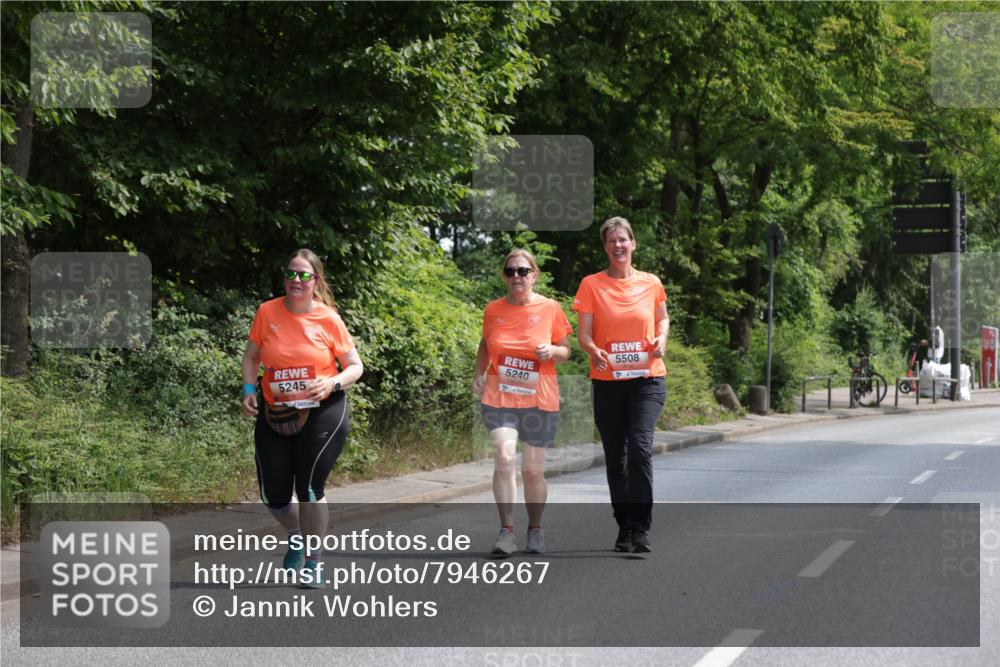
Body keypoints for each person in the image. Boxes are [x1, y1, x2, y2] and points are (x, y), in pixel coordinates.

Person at [240, 248, 363, 587]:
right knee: (273, 495)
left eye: (304, 275)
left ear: (316, 281)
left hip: (323, 409)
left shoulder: (328, 319)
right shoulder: (267, 312)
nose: (296, 280)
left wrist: (332, 382)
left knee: (309, 487)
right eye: (291, 273)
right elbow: (251, 356)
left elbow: (356, 366)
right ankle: (296, 534)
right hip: (274, 409)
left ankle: (315, 562)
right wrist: (248, 389)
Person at [573, 217, 668, 553]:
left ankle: (641, 528)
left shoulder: (651, 283)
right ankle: (624, 525)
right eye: (611, 241)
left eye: (623, 240)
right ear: (605, 247)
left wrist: (662, 339)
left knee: (640, 449)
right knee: (617, 458)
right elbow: (583, 334)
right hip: (608, 382)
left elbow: (662, 318)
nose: (618, 246)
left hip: (647, 379)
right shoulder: (591, 285)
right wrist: (593, 349)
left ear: (633, 244)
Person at [473, 249, 572, 555]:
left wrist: (552, 352)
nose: (517, 276)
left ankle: (535, 528)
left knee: (532, 471)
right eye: (511, 271)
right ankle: (507, 531)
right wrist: (478, 373)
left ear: (534, 275)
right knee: (503, 456)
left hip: (539, 398)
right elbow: (486, 344)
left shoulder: (550, 307)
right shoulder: (493, 309)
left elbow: (566, 350)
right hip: (499, 394)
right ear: (504, 276)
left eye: (523, 271)